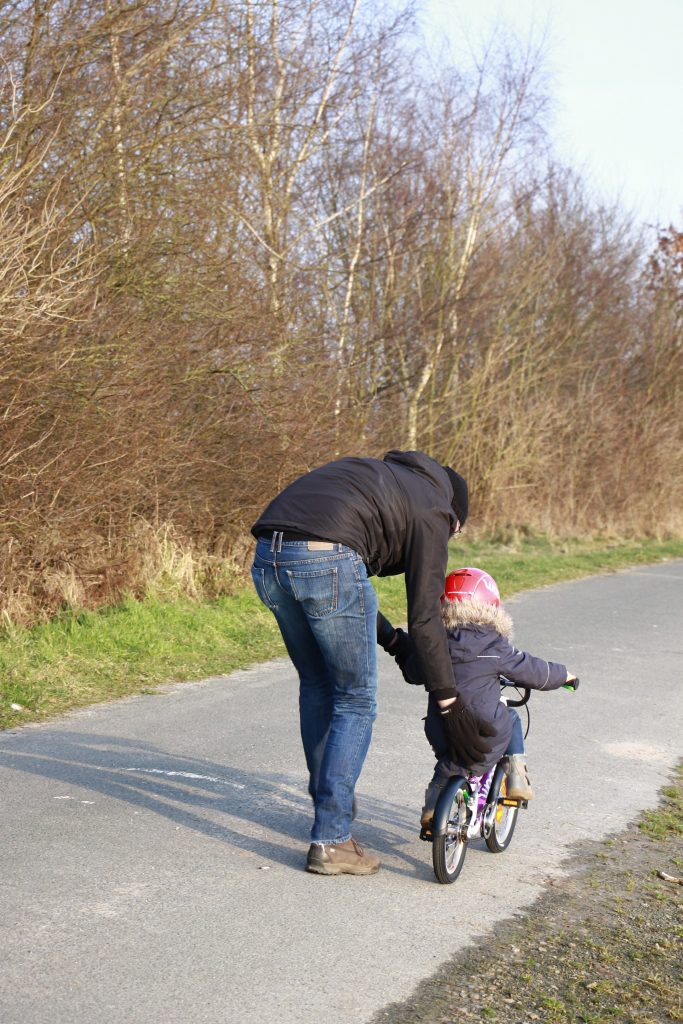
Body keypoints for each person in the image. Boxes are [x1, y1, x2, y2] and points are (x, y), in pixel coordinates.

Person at [250, 449, 496, 876]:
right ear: (454, 517)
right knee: (355, 700)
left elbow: (353, 593)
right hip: (327, 558)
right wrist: (448, 700)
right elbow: (425, 617)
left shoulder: (387, 481)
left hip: (269, 555)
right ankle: (331, 839)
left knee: (318, 685)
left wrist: (395, 644)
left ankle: (331, 807)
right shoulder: (434, 509)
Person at [406, 567, 578, 827]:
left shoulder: (434, 643)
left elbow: (415, 671)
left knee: (450, 758)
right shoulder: (493, 645)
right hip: (482, 732)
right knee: (510, 717)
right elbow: (533, 670)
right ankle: (516, 777)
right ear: (491, 605)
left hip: (439, 727)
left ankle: (434, 802)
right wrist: (565, 675)